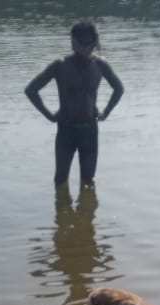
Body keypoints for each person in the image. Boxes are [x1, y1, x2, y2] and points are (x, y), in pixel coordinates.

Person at [25, 20, 124, 188]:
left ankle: (84, 214)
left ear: (95, 42)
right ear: (73, 42)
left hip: (90, 129)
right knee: (60, 179)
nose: (86, 47)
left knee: (88, 181)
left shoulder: (100, 65)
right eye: (82, 42)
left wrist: (106, 112)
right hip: (66, 129)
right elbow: (31, 90)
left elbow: (119, 89)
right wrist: (49, 115)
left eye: (90, 42)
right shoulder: (61, 65)